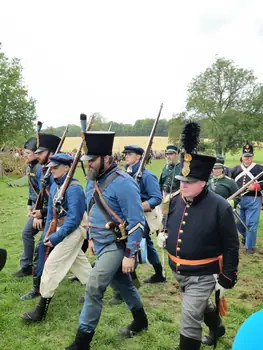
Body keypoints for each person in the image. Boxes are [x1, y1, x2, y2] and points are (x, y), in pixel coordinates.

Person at [65, 132, 147, 350]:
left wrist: (130, 254)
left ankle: (82, 343)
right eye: (87, 160)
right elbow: (92, 211)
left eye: (92, 160)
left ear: (107, 158)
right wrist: (91, 238)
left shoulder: (124, 183)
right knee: (124, 285)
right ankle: (141, 321)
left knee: (93, 286)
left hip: (118, 245)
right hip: (100, 244)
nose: (88, 164)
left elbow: (138, 222)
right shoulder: (93, 181)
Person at [164, 122, 239, 350]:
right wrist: (163, 234)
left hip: (204, 274)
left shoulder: (220, 207)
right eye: (182, 181)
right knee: (201, 306)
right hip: (179, 271)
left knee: (189, 318)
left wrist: (228, 277)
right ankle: (218, 327)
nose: (183, 185)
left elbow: (231, 246)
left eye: (189, 182)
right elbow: (170, 222)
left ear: (203, 182)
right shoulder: (176, 200)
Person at [20, 154, 91, 322]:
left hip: (74, 229)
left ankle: (41, 310)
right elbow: (52, 213)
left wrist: (56, 237)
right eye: (51, 167)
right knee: (78, 262)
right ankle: (94, 292)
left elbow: (74, 219)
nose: (51, 170)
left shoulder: (74, 188)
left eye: (55, 167)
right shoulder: (54, 185)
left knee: (51, 265)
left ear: (67, 168)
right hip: (61, 227)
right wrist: (48, 233)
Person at [19, 133, 61, 300]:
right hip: (48, 214)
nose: (35, 155)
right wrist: (32, 207)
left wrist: (40, 215)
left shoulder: (48, 172)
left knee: (42, 248)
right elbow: (36, 191)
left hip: (56, 217)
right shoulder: (40, 169)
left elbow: (51, 197)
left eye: (38, 153)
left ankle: (38, 287)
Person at [122, 145, 164, 284]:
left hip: (142, 216)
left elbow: (157, 198)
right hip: (128, 215)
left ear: (139, 157)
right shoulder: (126, 174)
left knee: (132, 245)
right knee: (146, 244)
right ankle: (159, 274)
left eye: (130, 154)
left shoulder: (147, 175)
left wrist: (137, 207)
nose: (126, 156)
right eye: (125, 154)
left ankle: (131, 283)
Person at [13, 137, 42, 277]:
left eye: (28, 153)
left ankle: (27, 266)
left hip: (44, 209)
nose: (25, 155)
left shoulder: (40, 169)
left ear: (37, 154)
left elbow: (45, 194)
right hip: (36, 207)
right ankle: (27, 266)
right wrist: (29, 207)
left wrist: (40, 213)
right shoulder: (29, 166)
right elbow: (32, 190)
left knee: (27, 233)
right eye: (24, 152)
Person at [230, 142, 263, 254]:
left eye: (249, 156)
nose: (247, 158)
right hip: (239, 200)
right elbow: (229, 181)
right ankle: (247, 238)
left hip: (254, 200)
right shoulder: (235, 169)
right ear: (242, 157)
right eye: (245, 156)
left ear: (252, 157)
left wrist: (257, 186)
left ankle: (250, 247)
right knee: (239, 224)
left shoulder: (259, 168)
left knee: (251, 224)